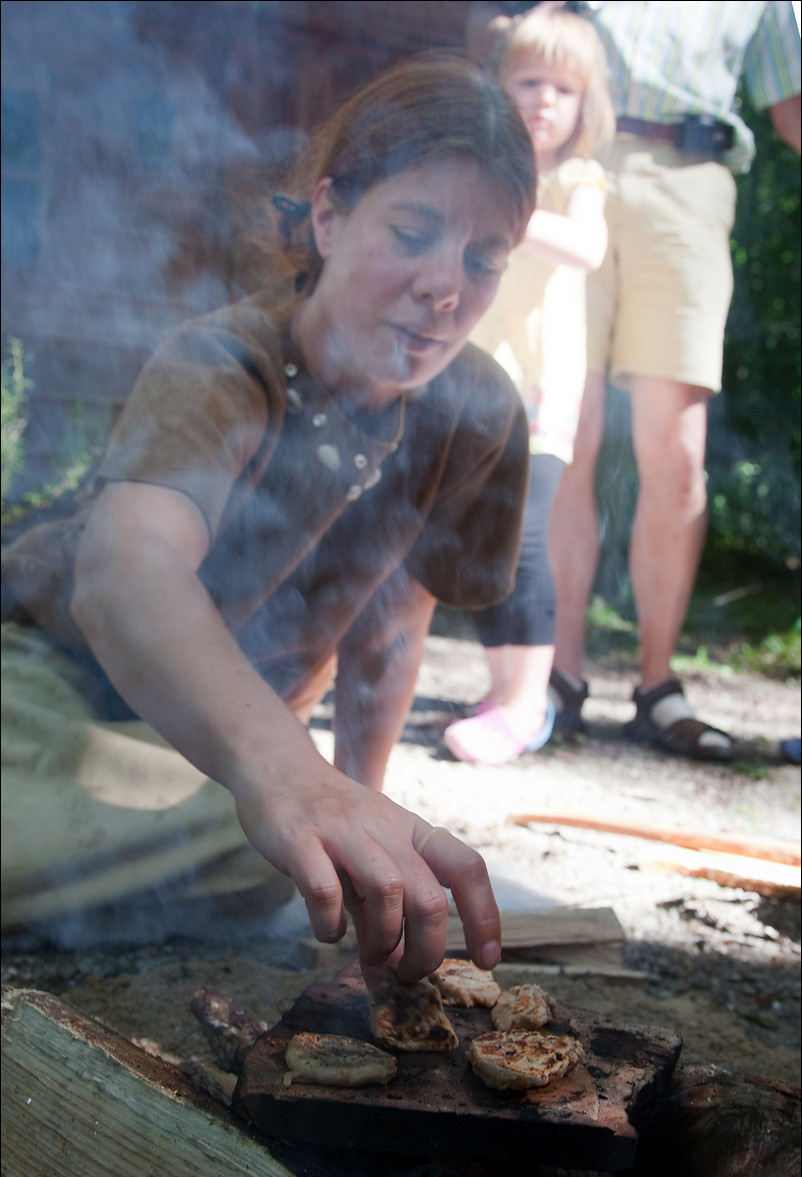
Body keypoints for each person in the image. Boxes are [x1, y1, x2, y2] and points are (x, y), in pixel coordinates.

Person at [0, 55, 537, 983]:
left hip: (217, 771)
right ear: (328, 216)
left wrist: (356, 812)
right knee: (261, 853)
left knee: (287, 864)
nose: (446, 287)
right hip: (54, 697)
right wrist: (290, 779)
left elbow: (391, 629)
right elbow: (126, 574)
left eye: (484, 259)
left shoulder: (475, 410)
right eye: (413, 232)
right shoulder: (221, 361)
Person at [547, 0, 801, 759]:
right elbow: (509, 37)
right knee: (566, 427)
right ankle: (553, 680)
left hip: (691, 183)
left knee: (678, 453)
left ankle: (658, 687)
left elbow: (792, 109)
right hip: (570, 164)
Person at [444, 6, 614, 765]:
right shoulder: (482, 169)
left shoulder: (578, 179)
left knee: (527, 539)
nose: (546, 99)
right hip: (477, 380)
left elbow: (584, 247)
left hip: (544, 389)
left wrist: (512, 215)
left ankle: (528, 702)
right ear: (499, 86)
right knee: (479, 537)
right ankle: (502, 685)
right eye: (530, 80)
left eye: (564, 89)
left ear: (586, 107)